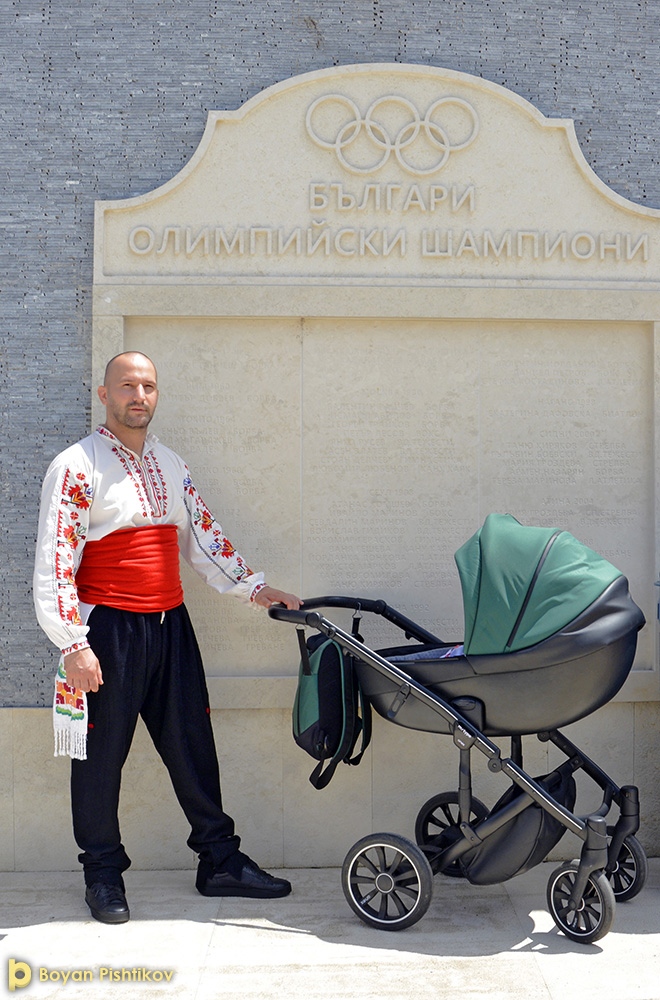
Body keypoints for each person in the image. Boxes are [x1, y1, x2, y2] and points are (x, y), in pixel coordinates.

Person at [33, 351, 302, 925]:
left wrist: (255, 588)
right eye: (127, 385)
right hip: (107, 630)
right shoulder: (76, 465)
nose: (139, 396)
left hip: (170, 625)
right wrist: (73, 643)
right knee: (100, 755)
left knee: (192, 743)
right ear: (104, 394)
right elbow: (56, 560)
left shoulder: (170, 463)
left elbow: (203, 536)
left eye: (148, 386)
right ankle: (102, 873)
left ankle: (219, 861)